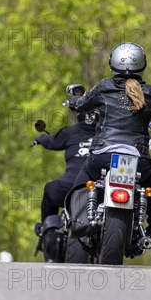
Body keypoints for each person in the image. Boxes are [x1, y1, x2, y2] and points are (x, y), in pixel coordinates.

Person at [71, 42, 151, 237]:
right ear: (142, 64)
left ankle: (77, 220)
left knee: (81, 178)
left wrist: (74, 102)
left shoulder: (104, 87)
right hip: (138, 161)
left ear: (113, 63)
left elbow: (82, 105)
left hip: (102, 156)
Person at [33, 84, 97, 261]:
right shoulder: (107, 135)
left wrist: (40, 139)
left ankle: (47, 229)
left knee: (49, 189)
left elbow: (51, 141)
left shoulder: (70, 133)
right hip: (97, 190)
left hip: (68, 188)